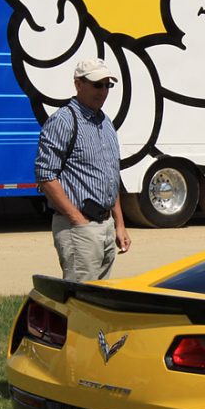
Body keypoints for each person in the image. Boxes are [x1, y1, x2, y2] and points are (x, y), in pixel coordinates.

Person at [35, 58, 132, 282]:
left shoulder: (105, 122)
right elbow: (45, 174)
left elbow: (110, 176)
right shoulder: (64, 120)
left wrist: (119, 224)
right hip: (80, 228)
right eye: (97, 84)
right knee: (80, 301)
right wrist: (77, 219)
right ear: (79, 84)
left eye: (108, 85)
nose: (103, 91)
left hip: (106, 226)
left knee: (99, 299)